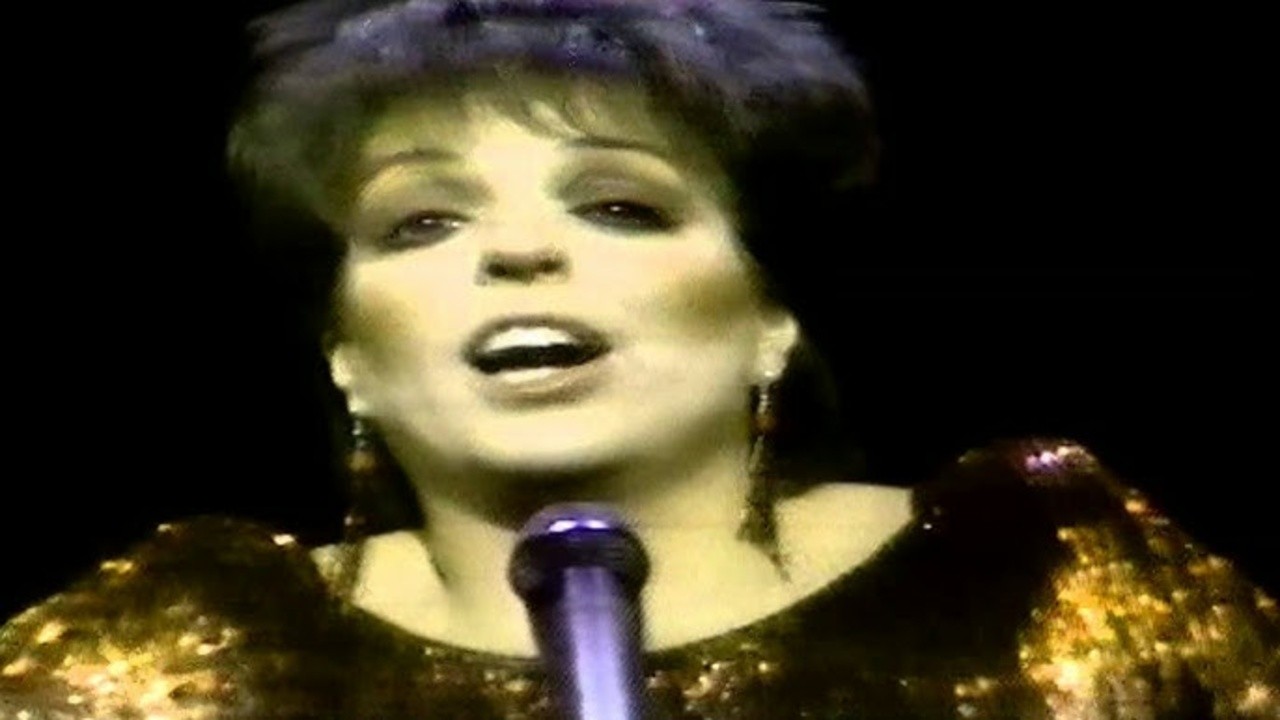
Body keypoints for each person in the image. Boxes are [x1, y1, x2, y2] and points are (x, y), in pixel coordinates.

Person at [2, 1, 1275, 718]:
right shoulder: (174, 655)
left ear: (768, 321)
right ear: (349, 359)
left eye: (619, 206)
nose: (519, 254)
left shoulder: (1030, 577)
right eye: (421, 223)